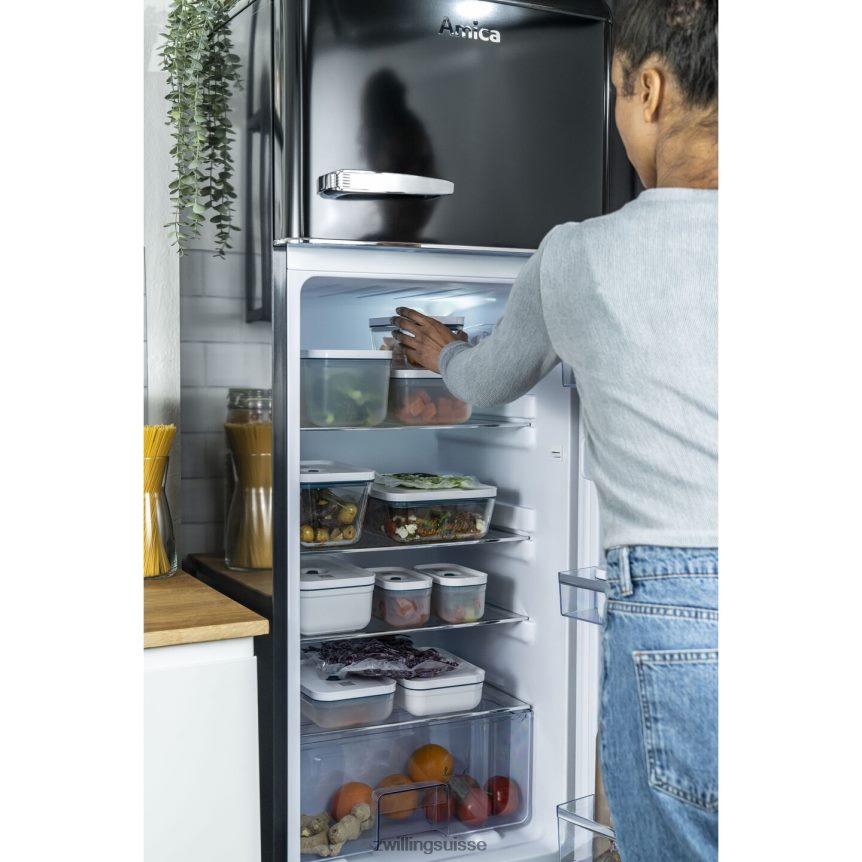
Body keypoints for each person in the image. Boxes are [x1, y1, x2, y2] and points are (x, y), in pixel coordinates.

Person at [392, 1, 718, 860]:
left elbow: (488, 381)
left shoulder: (577, 253)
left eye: (616, 92)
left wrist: (443, 351)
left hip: (679, 615)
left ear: (650, 92)